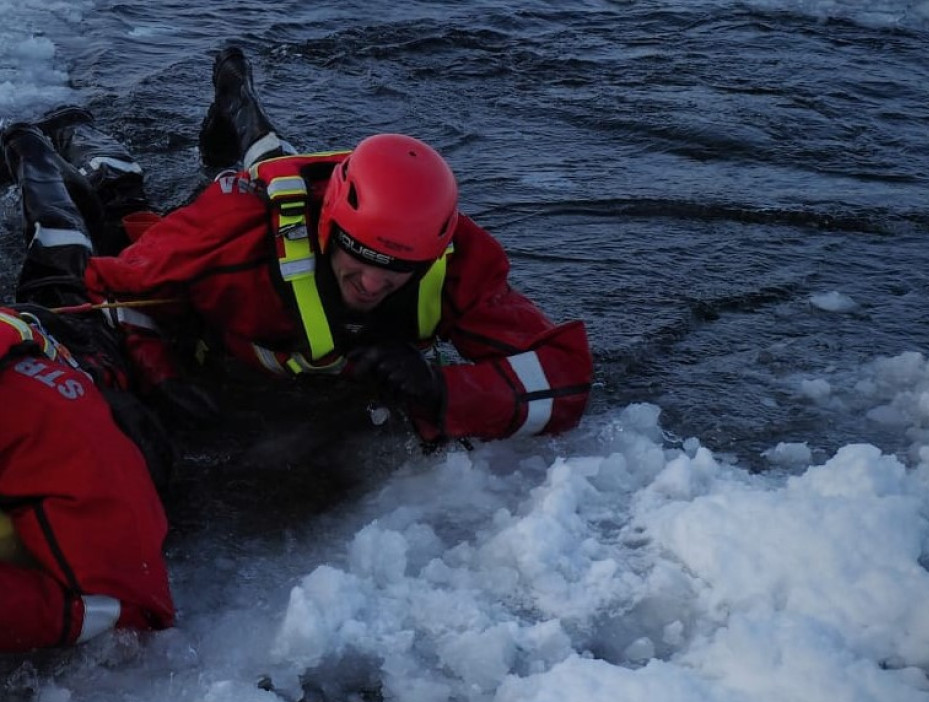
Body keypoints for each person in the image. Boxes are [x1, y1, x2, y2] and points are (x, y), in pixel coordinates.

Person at [46, 46, 594, 446]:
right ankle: (75, 130)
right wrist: (160, 377)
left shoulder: (456, 255)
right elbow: (108, 292)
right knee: (121, 209)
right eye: (363, 258)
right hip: (226, 223)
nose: (376, 283)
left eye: (403, 268)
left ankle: (239, 96)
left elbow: (565, 377)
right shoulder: (230, 235)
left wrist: (442, 390)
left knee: (276, 160)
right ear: (330, 226)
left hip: (312, 200)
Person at [0, 123, 175, 654]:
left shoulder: (61, 435)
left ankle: (42, 150)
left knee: (77, 247)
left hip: (88, 368)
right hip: (38, 350)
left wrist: (77, 618)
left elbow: (135, 607)